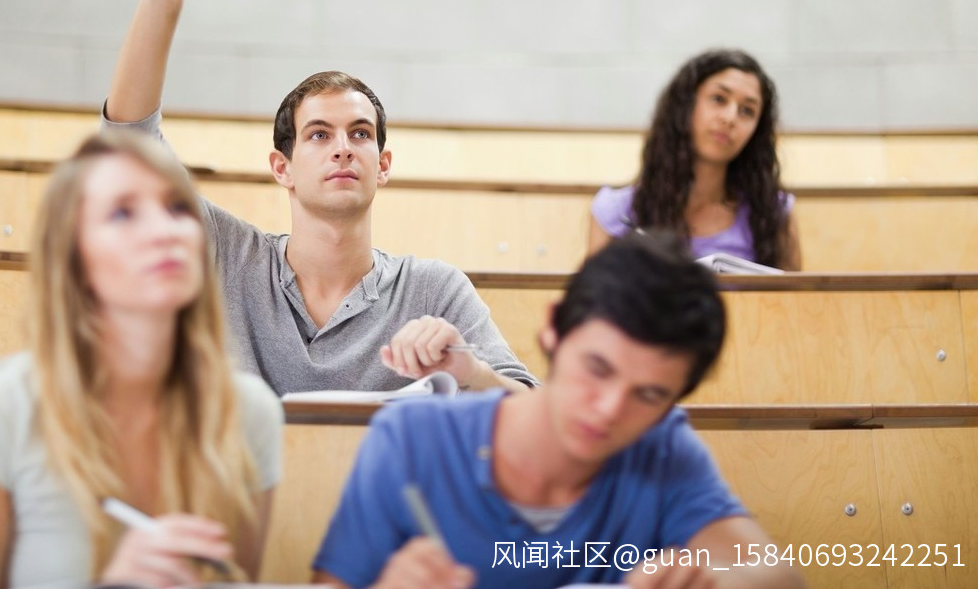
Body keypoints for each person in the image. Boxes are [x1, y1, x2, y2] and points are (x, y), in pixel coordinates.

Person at [102, 0, 536, 396]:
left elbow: (531, 412)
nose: (343, 148)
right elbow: (128, 146)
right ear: (281, 167)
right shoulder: (225, 256)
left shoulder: (433, 290)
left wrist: (470, 372)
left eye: (360, 133)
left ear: (383, 165)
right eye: (319, 134)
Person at [313, 234, 806, 589]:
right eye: (597, 367)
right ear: (554, 328)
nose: (610, 410)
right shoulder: (412, 440)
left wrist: (710, 580)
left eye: (649, 395)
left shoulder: (661, 448)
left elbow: (777, 575)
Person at [0, 130, 283, 589]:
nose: (164, 231)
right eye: (122, 213)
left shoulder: (249, 413)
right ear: (74, 258)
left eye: (177, 207)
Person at [588, 50, 802, 271]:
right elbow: (595, 292)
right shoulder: (617, 213)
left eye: (747, 111)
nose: (730, 118)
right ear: (685, 105)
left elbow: (794, 294)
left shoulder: (772, 213)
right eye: (719, 99)